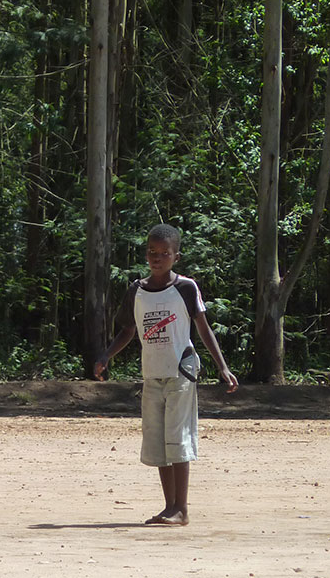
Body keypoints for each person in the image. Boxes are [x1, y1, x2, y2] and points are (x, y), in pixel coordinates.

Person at [94, 223, 238, 526]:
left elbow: (203, 328)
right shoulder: (137, 290)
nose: (156, 258)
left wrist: (222, 366)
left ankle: (182, 507)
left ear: (176, 256)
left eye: (164, 253)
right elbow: (128, 331)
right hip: (152, 374)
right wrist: (106, 355)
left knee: (178, 438)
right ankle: (169, 505)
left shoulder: (186, 288)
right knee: (159, 442)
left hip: (181, 371)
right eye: (151, 252)